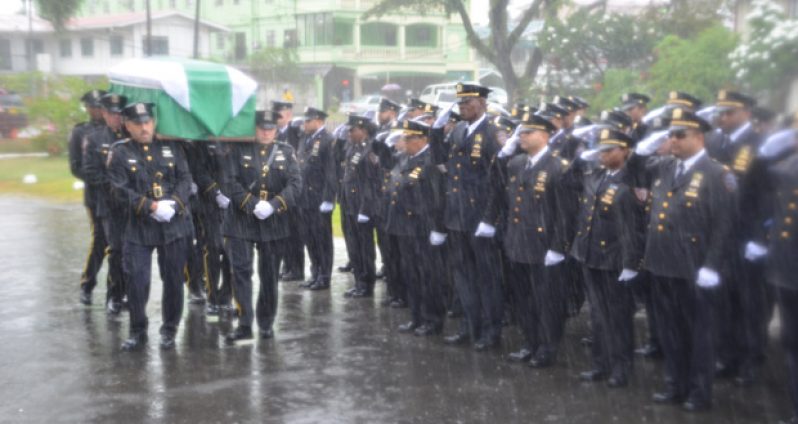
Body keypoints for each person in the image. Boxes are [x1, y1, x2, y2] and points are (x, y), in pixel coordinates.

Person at [627, 107, 736, 411]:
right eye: (670, 134)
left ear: (699, 137)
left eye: (679, 135)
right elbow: (632, 166)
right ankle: (675, 384)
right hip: (662, 264)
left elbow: (725, 226)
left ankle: (700, 392)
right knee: (669, 330)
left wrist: (713, 266)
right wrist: (648, 136)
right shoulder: (664, 167)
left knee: (698, 334)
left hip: (695, 268)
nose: (672, 140)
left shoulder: (718, 174)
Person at [107, 102, 195, 351]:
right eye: (138, 123)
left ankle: (169, 330)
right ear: (127, 125)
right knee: (137, 281)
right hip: (138, 227)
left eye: (147, 122)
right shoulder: (120, 152)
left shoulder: (172, 146)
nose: (144, 128)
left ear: (154, 122)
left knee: (174, 281)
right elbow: (118, 189)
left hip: (173, 225)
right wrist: (151, 207)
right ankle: (137, 331)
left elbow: (185, 179)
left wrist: (174, 205)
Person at [488, 113, 571, 367]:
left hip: (544, 245)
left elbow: (565, 213)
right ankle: (530, 342)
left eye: (528, 133)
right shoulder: (517, 163)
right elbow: (499, 187)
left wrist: (558, 247)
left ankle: (547, 347)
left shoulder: (558, 167)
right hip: (518, 243)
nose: (521, 137)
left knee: (545, 301)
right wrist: (503, 155)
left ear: (545, 135)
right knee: (523, 299)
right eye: (521, 133)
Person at [430, 83, 503, 351]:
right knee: (464, 278)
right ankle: (470, 326)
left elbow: (498, 181)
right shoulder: (459, 130)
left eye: (468, 102)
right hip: (457, 216)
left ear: (482, 103)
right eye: (459, 104)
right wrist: (436, 130)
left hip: (479, 218)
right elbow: (440, 163)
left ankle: (491, 331)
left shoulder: (493, 133)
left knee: (487, 279)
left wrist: (490, 218)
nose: (462, 107)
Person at [569, 129, 644, 387]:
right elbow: (568, 178)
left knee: (619, 316)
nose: (603, 154)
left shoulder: (631, 181)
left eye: (609, 149)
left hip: (614, 259)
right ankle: (600, 364)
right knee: (598, 316)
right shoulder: (596, 176)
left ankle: (621, 367)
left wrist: (631, 263)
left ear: (625, 151)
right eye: (601, 149)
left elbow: (633, 229)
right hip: (591, 256)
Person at [704, 90, 768, 386]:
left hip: (747, 234)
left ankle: (751, 361)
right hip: (720, 234)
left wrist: (760, 237)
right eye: (721, 113)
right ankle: (726, 356)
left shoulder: (758, 143)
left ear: (745, 112)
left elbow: (766, 194)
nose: (722, 118)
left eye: (729, 112)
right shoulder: (715, 141)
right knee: (723, 299)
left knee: (749, 303)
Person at [222, 110, 301, 343]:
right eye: (262, 128)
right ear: (254, 129)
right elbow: (229, 181)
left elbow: (295, 184)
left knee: (269, 275)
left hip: (273, 221)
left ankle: (266, 323)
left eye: (271, 129)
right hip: (241, 219)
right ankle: (244, 324)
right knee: (241, 273)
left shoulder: (286, 152)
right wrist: (252, 204)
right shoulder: (238, 150)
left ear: (276, 130)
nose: (267, 132)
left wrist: (275, 205)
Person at [373, 119, 446, 335]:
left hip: (422, 226)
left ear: (424, 139)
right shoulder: (405, 158)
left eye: (410, 137)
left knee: (427, 275)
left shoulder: (430, 161)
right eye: (405, 137)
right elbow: (391, 174)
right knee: (411, 273)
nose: (405, 141)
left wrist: (438, 227)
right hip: (404, 226)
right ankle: (416, 317)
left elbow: (438, 198)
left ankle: (432, 320)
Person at [81, 93, 128, 313]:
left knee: (130, 251)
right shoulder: (95, 138)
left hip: (131, 204)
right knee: (115, 249)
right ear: (105, 114)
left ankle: (125, 293)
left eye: (120, 113)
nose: (116, 118)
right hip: (108, 204)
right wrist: (116, 187)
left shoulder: (132, 136)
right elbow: (90, 172)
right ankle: (114, 296)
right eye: (112, 114)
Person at [72, 89, 108, 305]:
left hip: (118, 197)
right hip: (96, 196)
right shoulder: (80, 132)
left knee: (119, 245)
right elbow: (76, 167)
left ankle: (118, 291)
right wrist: (102, 181)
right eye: (92, 107)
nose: (95, 110)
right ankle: (88, 284)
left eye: (99, 106)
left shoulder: (117, 128)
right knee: (100, 241)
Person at [339, 115, 381, 298]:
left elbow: (371, 183)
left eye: (352, 130)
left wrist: (365, 209)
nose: (349, 133)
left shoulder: (369, 150)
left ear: (363, 130)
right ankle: (358, 281)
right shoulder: (352, 147)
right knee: (353, 247)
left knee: (364, 248)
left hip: (362, 207)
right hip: (350, 205)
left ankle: (366, 283)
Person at [296, 107, 337, 291]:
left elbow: (331, 172)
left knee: (322, 239)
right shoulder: (306, 138)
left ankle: (324, 275)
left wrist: (328, 198)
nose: (304, 124)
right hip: (305, 197)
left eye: (308, 120)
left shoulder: (327, 140)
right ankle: (315, 272)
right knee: (309, 237)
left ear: (318, 121)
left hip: (319, 197)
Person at [273, 100, 305, 282]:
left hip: (293, 191)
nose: (279, 119)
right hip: (280, 191)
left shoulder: (296, 132)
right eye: (277, 115)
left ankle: (297, 269)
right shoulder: (274, 134)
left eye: (282, 115)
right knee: (284, 233)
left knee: (295, 234)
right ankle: (287, 265)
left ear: (289, 115)